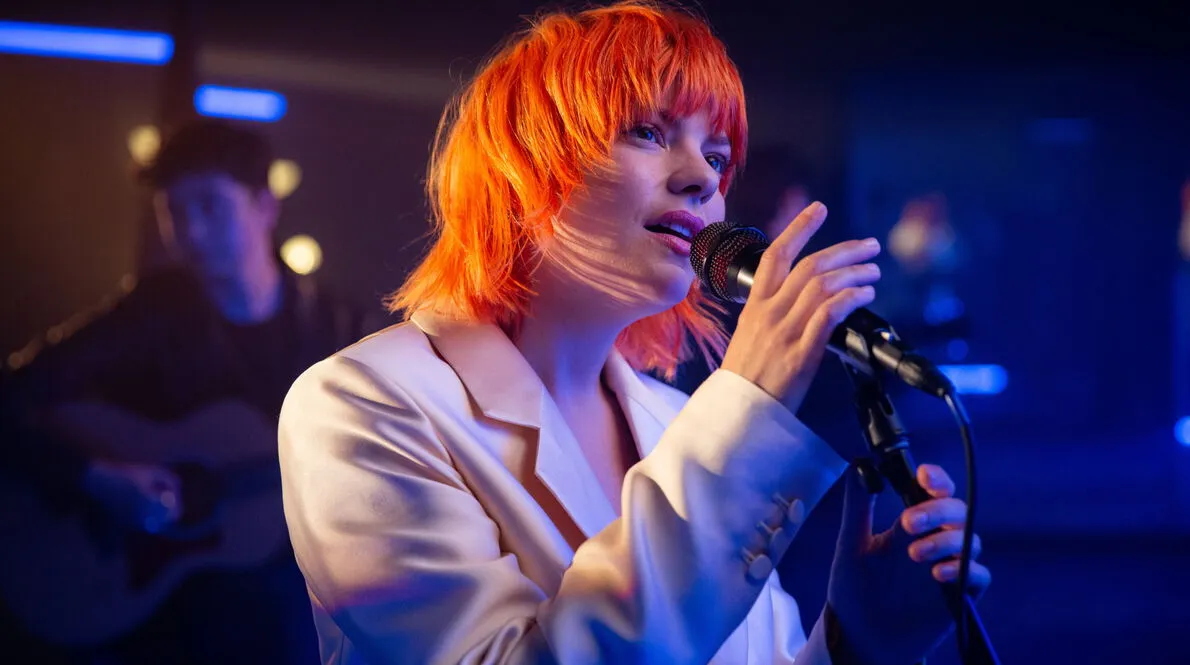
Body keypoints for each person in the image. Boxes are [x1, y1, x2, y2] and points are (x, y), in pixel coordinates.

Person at [278, 3, 991, 664]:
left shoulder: (680, 420)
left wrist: (854, 642)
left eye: (716, 156)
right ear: (522, 164)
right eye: (647, 132)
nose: (700, 180)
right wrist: (749, 405)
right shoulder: (363, 405)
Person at [0, 119, 380, 664]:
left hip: (287, 605)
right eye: (175, 213)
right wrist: (98, 476)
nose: (192, 233)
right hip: (153, 605)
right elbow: (12, 399)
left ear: (264, 207)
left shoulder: (339, 331)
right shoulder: (150, 315)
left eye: (209, 206)